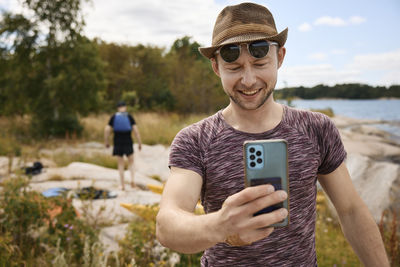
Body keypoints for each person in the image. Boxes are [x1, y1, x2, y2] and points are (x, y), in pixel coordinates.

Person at [156, 3, 389, 266]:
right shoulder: (195, 140)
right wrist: (220, 226)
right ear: (216, 67)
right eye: (234, 68)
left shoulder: (317, 129)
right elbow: (167, 225)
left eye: (259, 63)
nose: (248, 80)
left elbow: (351, 211)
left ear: (280, 58)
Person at [104, 101, 142, 190]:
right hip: (128, 140)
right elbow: (136, 131)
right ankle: (132, 181)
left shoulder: (114, 117)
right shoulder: (129, 116)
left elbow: (107, 129)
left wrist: (106, 141)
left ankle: (122, 185)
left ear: (118, 108)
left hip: (117, 141)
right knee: (131, 162)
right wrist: (139, 142)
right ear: (125, 107)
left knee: (120, 163)